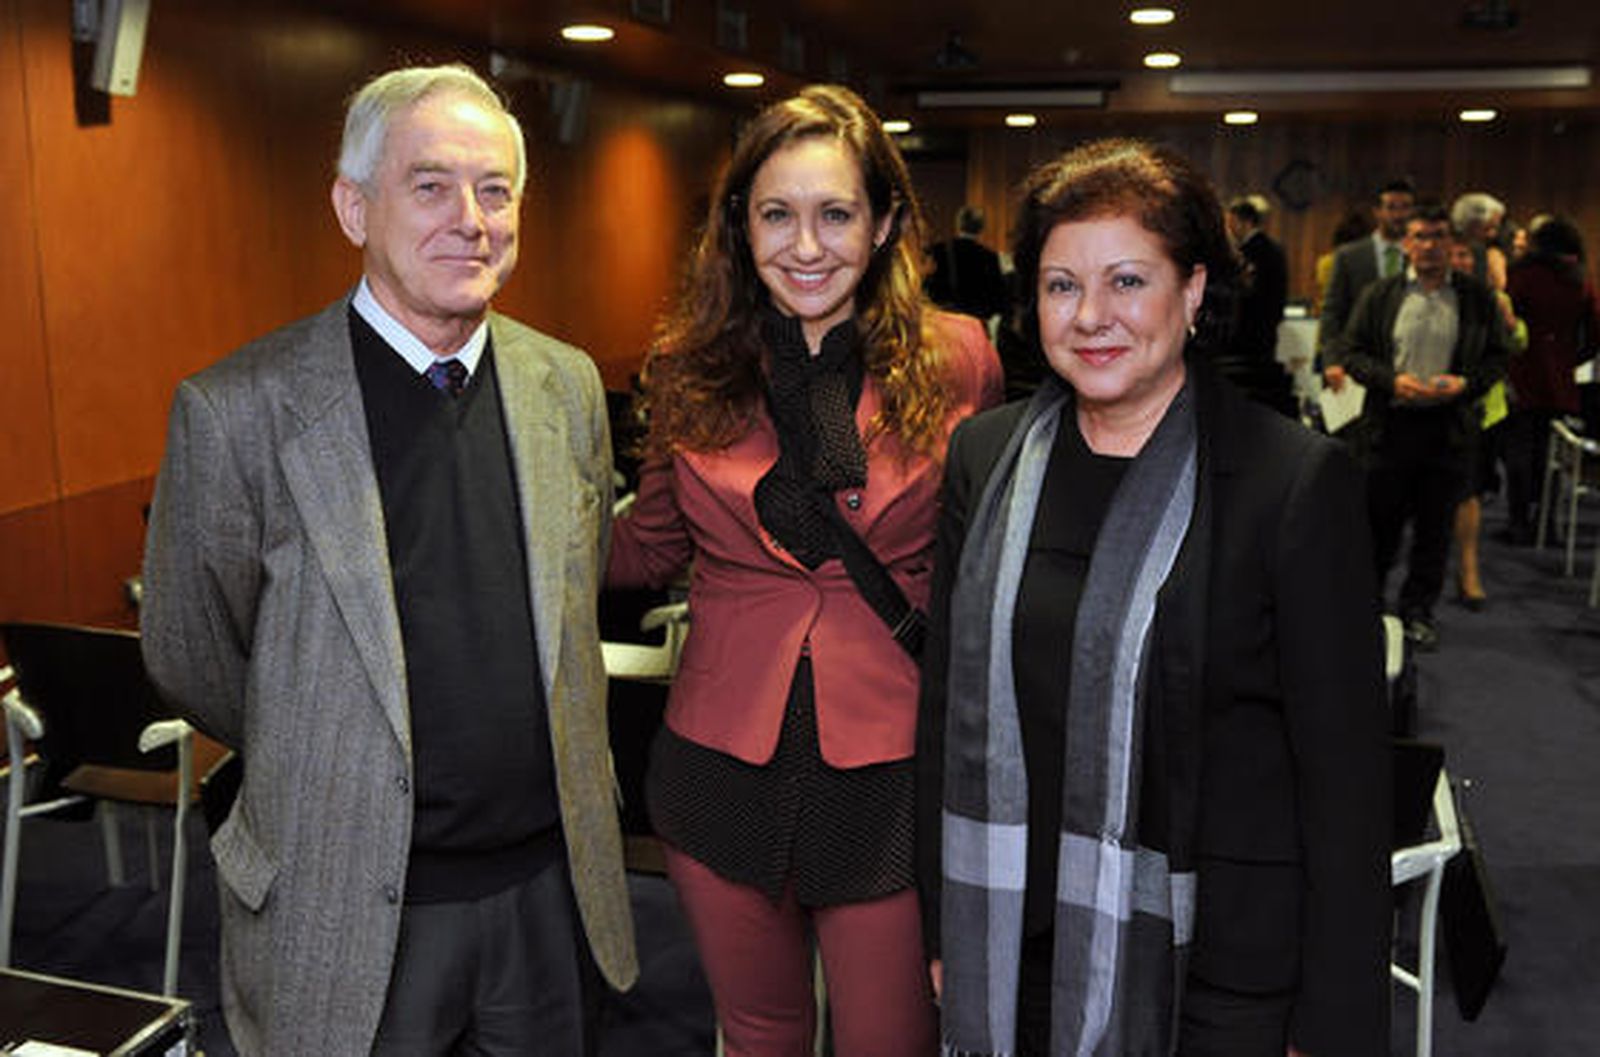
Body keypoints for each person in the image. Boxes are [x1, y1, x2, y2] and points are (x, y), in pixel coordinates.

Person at [141, 64, 637, 1055]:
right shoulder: (238, 412)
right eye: (430, 185)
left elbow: (572, 605)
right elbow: (195, 653)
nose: (472, 218)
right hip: (345, 896)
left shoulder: (568, 386)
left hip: (549, 892)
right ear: (353, 207)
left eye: (495, 189)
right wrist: (330, 741)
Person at [917, 138, 1391, 1057]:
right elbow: (945, 712)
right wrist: (944, 928)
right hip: (1011, 937)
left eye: (1128, 280)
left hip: (1218, 970)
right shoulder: (987, 456)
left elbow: (1346, 788)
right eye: (1061, 286)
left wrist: (1330, 1023)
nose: (1091, 316)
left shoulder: (1289, 482)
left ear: (1196, 290)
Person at [607, 84, 1002, 1055]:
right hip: (716, 761)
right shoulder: (686, 364)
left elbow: (983, 561)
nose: (806, 244)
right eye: (775, 214)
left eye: (835, 213)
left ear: (885, 224)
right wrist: (496, 540)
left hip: (892, 771)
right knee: (758, 1033)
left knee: (891, 1039)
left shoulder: (960, 360)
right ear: (739, 230)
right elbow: (649, 543)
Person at [1340, 203, 1511, 649]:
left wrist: (1464, 385)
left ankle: (1418, 612)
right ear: (1407, 244)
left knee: (1434, 534)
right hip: (1389, 426)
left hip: (1448, 430)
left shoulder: (1475, 297)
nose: (1429, 246)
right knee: (1378, 530)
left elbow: (1498, 356)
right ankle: (1366, 612)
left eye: (1438, 237)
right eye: (1420, 237)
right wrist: (1391, 380)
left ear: (1452, 244)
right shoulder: (1381, 294)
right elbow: (1351, 351)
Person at [1503, 216, 1600, 543]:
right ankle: (1547, 524)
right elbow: (1596, 333)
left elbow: (1506, 321)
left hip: (1522, 370)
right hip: (1560, 377)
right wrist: (1573, 359)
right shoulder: (1580, 280)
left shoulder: (1522, 275)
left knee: (1519, 450)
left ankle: (1518, 521)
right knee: (1553, 456)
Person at [1320, 176, 1415, 391]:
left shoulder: (1419, 257)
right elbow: (1332, 312)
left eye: (1406, 208)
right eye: (1391, 207)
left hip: (1407, 364)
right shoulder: (1349, 256)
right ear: (1377, 211)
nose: (1399, 215)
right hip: (1355, 363)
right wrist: (1332, 360)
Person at [1220, 194, 1295, 416]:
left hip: (1249, 337)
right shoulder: (1275, 249)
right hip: (1265, 335)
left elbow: (1248, 296)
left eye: (1231, 222)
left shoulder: (1254, 251)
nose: (1229, 228)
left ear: (1245, 221)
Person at [926, 203, 1011, 324]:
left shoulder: (939, 251)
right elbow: (998, 300)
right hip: (976, 324)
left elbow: (928, 290)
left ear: (958, 224)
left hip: (944, 323)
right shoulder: (990, 257)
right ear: (981, 228)